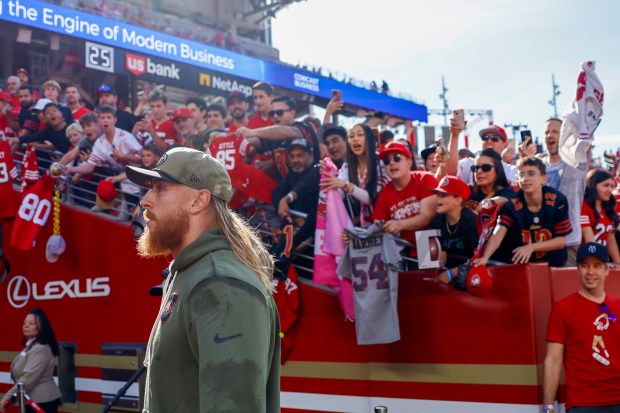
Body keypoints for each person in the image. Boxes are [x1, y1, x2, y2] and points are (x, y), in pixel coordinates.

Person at [125, 147, 280, 413]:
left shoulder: (221, 284)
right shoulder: (189, 273)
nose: (146, 201)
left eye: (160, 188)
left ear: (199, 200)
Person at [543, 242, 620, 413]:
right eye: (584, 266)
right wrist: (548, 408)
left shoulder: (617, 306)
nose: (591, 272)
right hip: (584, 403)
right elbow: (553, 361)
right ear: (577, 269)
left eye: (597, 266)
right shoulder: (563, 309)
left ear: (607, 270)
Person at [473, 156, 572, 267]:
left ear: (544, 179)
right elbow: (498, 233)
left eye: (531, 173)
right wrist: (485, 257)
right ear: (517, 180)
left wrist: (531, 247)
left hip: (553, 263)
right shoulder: (512, 205)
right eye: (521, 175)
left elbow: (561, 241)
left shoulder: (558, 201)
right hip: (525, 265)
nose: (525, 179)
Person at [523, 118, 587, 266]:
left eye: (555, 132)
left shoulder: (575, 162)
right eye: (546, 132)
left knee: (565, 287)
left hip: (568, 242)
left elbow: (584, 140)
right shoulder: (538, 164)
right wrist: (524, 159)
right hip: (539, 242)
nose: (549, 135)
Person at [372, 141, 438, 265]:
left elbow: (426, 218)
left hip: (431, 243)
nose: (391, 163)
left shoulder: (425, 179)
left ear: (409, 162)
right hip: (403, 250)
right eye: (386, 161)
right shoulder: (384, 194)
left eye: (397, 158)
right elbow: (377, 227)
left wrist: (400, 224)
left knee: (427, 280)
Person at [321, 123, 388, 227]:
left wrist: (346, 185)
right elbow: (336, 195)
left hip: (387, 227)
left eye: (360, 135)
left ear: (369, 139)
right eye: (351, 136)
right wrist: (327, 174)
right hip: (365, 231)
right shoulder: (347, 166)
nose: (355, 139)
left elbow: (372, 198)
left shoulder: (381, 162)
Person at [0, 308, 62, 413]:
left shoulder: (41, 348)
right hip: (29, 400)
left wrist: (8, 397)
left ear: (41, 327)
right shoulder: (31, 346)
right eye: (24, 323)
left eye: (31, 323)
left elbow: (28, 378)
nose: (26, 326)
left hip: (42, 402)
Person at [430, 175, 478, 269]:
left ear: (458, 200)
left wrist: (451, 274)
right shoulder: (436, 220)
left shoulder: (472, 221)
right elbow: (439, 256)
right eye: (437, 194)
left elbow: (477, 258)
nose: (437, 198)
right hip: (448, 271)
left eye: (443, 195)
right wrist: (433, 268)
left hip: (470, 274)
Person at [581, 169, 620, 266]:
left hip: (602, 261)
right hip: (585, 260)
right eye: (605, 185)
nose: (610, 190)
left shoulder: (608, 209)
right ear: (593, 185)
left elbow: (610, 240)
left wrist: (618, 263)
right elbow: (589, 239)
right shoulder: (584, 206)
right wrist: (601, 262)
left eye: (612, 186)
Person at [466, 149, 515, 213]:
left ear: (498, 170)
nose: (479, 171)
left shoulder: (508, 193)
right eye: (476, 168)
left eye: (486, 167)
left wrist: (494, 201)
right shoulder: (467, 191)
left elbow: (509, 199)